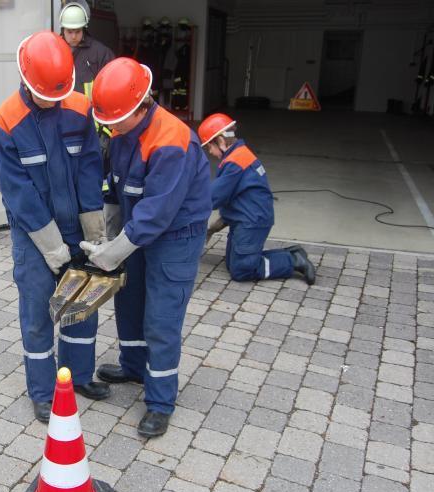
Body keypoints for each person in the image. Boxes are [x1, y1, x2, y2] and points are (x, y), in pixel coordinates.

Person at [80, 58, 211, 438]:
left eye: (116, 120)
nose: (111, 128)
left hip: (176, 236)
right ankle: (134, 366)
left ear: (141, 106)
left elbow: (156, 213)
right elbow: (118, 188)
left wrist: (114, 251)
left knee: (162, 317)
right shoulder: (123, 132)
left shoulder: (172, 141)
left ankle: (159, 401)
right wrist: (107, 232)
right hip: (138, 227)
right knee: (130, 300)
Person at [0, 31, 110, 423]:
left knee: (82, 306)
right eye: (47, 95)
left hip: (76, 227)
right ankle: (43, 391)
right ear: (27, 81)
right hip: (34, 236)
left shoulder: (78, 108)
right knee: (38, 314)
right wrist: (54, 250)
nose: (55, 102)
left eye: (61, 93)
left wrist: (94, 231)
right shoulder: (6, 122)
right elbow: (18, 194)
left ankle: (78, 376)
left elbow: (91, 167)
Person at [199, 113, 316, 284]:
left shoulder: (235, 162)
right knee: (233, 264)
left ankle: (293, 261)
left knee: (241, 271)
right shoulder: (238, 155)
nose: (210, 152)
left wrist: (187, 206)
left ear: (221, 140)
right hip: (244, 220)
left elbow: (212, 198)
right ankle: (291, 254)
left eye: (209, 146)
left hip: (252, 222)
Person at [59, 0, 115, 97]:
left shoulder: (100, 54)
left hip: (88, 111)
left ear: (84, 28)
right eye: (69, 31)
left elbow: (112, 87)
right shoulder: (54, 52)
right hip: (61, 111)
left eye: (77, 31)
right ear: (62, 29)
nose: (73, 36)